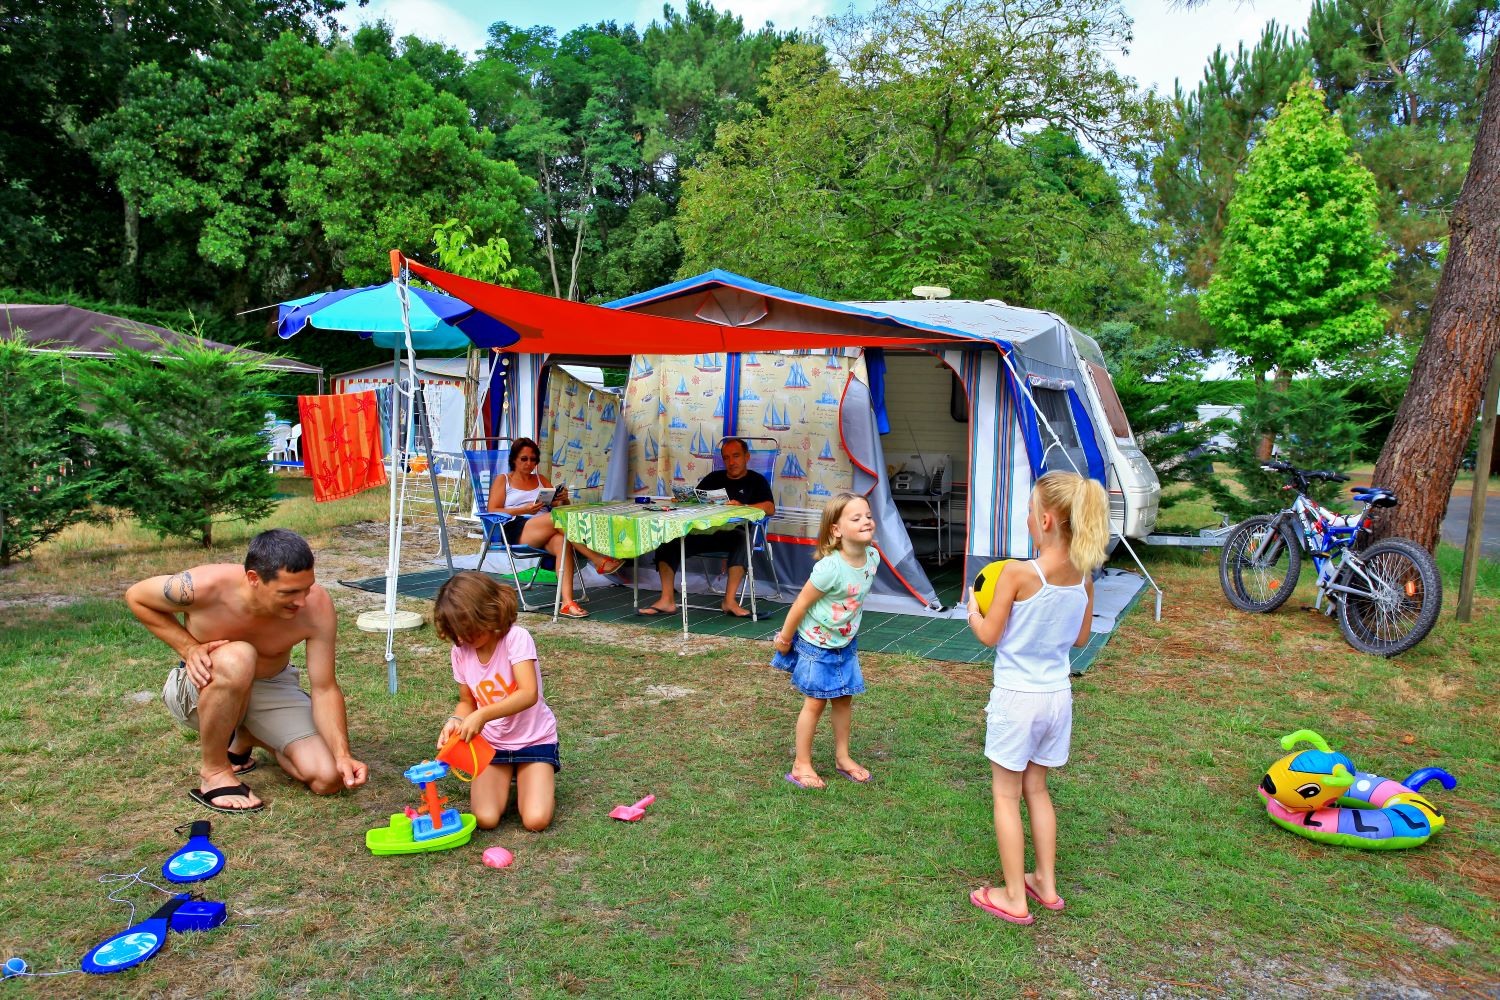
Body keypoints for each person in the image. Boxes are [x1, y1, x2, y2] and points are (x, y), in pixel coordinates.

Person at [124, 529, 369, 814]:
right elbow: (137, 596)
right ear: (254, 579)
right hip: (204, 686)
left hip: (271, 686)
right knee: (239, 656)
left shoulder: (317, 605)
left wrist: (342, 754)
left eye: (307, 588)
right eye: (288, 592)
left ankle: (250, 735)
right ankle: (215, 772)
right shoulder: (204, 586)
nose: (302, 601)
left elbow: (324, 688)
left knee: (328, 777)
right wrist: (188, 648)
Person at [963, 470, 1107, 924]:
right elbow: (1081, 638)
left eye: (1029, 511)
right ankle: (1044, 881)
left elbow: (989, 635)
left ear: (1045, 520)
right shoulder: (1084, 578)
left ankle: (1013, 896)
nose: (1026, 518)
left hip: (1017, 699)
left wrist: (973, 611)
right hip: (1057, 699)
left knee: (1006, 796)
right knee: (1038, 789)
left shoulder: (1016, 573)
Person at [433, 572, 558, 831]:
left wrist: (482, 715)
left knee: (535, 820)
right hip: (492, 745)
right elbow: (466, 702)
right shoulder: (460, 651)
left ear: (488, 615)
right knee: (485, 819)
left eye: (468, 632)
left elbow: (528, 693)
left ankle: (530, 776)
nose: (463, 640)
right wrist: (456, 719)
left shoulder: (516, 638)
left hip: (534, 740)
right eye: (457, 634)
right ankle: (512, 776)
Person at [771, 492, 880, 789]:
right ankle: (800, 765)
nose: (866, 521)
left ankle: (842, 757)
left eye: (868, 516)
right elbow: (800, 605)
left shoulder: (872, 557)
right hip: (816, 645)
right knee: (816, 702)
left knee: (844, 698)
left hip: (845, 643)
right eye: (856, 518)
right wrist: (785, 639)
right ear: (836, 529)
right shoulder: (829, 568)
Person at [486, 436, 622, 620]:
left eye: (533, 459)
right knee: (556, 519)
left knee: (562, 541)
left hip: (547, 527)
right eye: (524, 459)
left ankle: (567, 603)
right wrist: (524, 509)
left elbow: (560, 507)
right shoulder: (503, 480)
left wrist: (563, 499)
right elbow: (492, 510)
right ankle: (597, 559)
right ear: (514, 459)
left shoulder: (540, 479)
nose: (529, 463)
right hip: (516, 527)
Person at [640, 437, 775, 619]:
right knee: (668, 540)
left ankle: (729, 601)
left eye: (736, 456)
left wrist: (742, 506)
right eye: (726, 458)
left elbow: (770, 508)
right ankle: (667, 600)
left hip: (732, 535)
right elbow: (696, 501)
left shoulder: (756, 481)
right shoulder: (714, 478)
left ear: (747, 456)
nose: (731, 462)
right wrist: (683, 501)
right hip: (704, 532)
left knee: (743, 539)